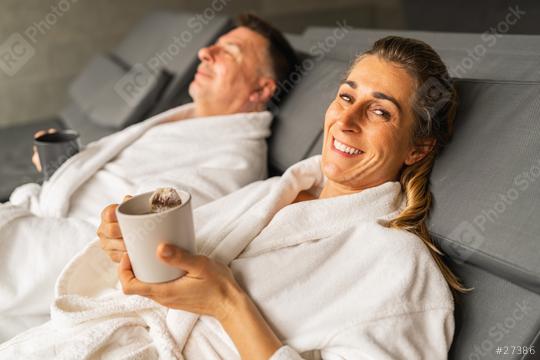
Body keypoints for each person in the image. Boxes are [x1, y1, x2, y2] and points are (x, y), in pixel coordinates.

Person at [0, 36, 468, 359]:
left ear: (417, 147)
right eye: (347, 97)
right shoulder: (275, 191)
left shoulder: (399, 265)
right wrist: (123, 248)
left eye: (380, 111)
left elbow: (213, 295)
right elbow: (178, 277)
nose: (347, 121)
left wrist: (228, 302)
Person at [0, 13, 299, 342]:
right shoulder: (188, 120)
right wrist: (69, 166)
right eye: (212, 45)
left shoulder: (232, 159)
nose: (204, 53)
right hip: (47, 212)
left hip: (69, 246)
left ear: (261, 89)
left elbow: (151, 240)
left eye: (229, 52)